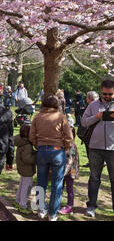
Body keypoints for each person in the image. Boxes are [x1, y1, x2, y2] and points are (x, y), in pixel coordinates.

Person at [29, 94, 73, 221]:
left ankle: (41, 209)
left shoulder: (37, 117)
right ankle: (52, 214)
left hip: (42, 150)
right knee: (57, 184)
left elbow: (32, 135)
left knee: (41, 182)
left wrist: (38, 145)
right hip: (57, 151)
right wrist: (66, 147)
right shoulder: (61, 117)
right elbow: (69, 136)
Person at [81, 79, 114, 218]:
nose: (107, 96)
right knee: (94, 178)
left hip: (113, 149)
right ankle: (91, 206)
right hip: (94, 148)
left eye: (110, 94)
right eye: (105, 94)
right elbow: (83, 122)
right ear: (101, 91)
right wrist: (97, 117)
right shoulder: (93, 105)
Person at [13, 124, 36, 214]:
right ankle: (23, 205)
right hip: (27, 170)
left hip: (23, 169)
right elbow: (27, 158)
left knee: (22, 186)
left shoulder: (21, 142)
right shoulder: (27, 145)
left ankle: (17, 201)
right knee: (26, 188)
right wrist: (36, 156)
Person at [58, 127, 79, 215]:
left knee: (69, 188)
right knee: (60, 187)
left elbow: (70, 162)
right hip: (63, 171)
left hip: (71, 171)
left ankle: (70, 206)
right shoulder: (64, 144)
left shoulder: (72, 146)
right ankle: (57, 203)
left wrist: (63, 173)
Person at [78, 91, 99, 168]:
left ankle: (93, 162)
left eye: (87, 97)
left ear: (89, 99)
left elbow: (85, 120)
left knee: (90, 147)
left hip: (90, 131)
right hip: (94, 131)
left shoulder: (91, 106)